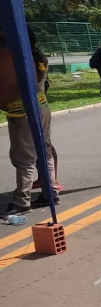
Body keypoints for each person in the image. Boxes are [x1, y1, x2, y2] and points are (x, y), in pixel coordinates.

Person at [0, 28, 59, 215]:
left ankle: (21, 202)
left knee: (24, 157)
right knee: (44, 151)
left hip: (21, 112)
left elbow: (9, 90)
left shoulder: (9, 57)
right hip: (41, 106)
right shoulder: (36, 55)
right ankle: (51, 192)